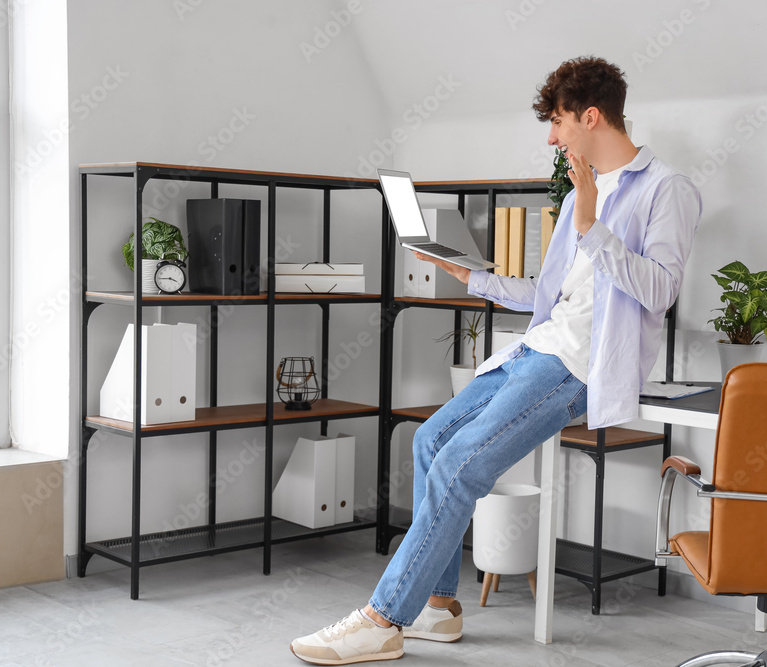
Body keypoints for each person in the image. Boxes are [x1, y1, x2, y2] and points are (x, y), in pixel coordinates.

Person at [290, 55, 702, 665]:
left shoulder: (666, 189)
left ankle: (382, 620)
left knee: (460, 464)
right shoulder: (580, 194)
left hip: (576, 366)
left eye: (557, 121)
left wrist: (592, 225)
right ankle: (437, 608)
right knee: (430, 441)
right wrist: (472, 276)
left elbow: (661, 290)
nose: (552, 137)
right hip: (537, 348)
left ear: (590, 117)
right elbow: (551, 294)